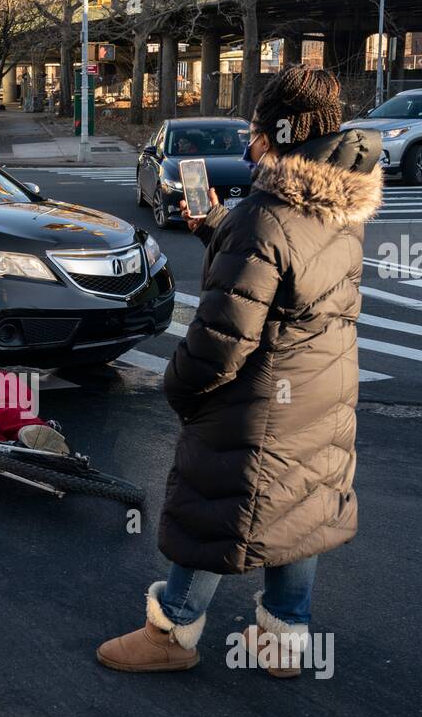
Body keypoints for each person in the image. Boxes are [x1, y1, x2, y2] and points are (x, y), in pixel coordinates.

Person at [97, 65, 383, 677]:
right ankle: (283, 640)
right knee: (299, 508)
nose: (248, 141)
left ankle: (172, 631)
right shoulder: (336, 208)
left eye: (255, 128)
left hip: (257, 405)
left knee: (216, 501)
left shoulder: (264, 217)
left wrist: (178, 390)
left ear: (278, 132)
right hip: (321, 393)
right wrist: (221, 229)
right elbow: (289, 280)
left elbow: (221, 340)